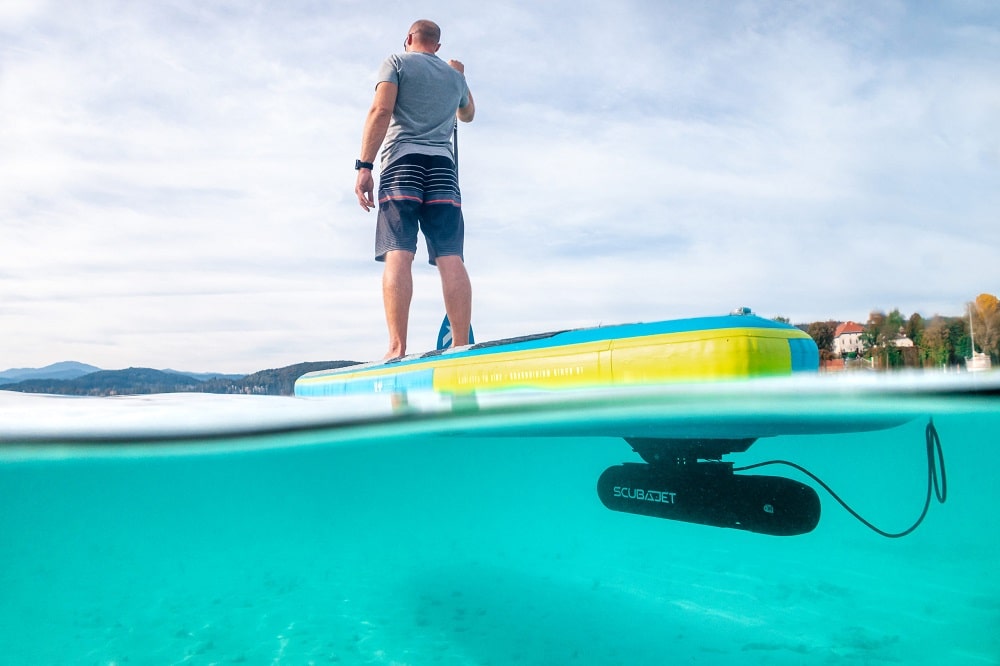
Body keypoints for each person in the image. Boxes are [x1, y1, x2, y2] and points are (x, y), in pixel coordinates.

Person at [354, 19, 476, 360]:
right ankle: (461, 345)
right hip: (443, 170)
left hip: (401, 165)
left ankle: (397, 348)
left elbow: (381, 110)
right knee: (450, 256)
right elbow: (467, 114)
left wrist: (364, 166)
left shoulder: (395, 62)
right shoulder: (454, 77)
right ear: (437, 46)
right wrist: (461, 78)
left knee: (399, 251)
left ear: (409, 39)